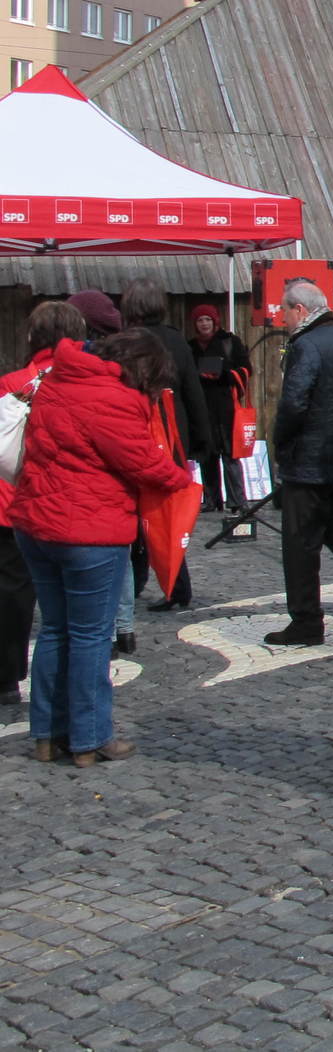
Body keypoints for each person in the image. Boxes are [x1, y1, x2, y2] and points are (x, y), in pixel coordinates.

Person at [12, 329, 193, 765]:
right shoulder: (115, 396)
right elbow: (143, 463)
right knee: (91, 636)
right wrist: (185, 482)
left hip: (36, 522)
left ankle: (46, 734)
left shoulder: (60, 375)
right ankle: (89, 739)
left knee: (55, 630)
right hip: (88, 531)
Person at [266, 280, 333, 646]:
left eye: (284, 311)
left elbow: (294, 402)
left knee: (299, 546)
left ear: (299, 310)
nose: (282, 318)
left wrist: (280, 444)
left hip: (308, 460)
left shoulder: (307, 345)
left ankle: (306, 620)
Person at [0, 300, 89, 706]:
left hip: (12, 501)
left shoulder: (12, 382)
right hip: (73, 503)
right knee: (76, 605)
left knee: (13, 592)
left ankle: (7, 677)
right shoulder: (90, 384)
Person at [120, 277, 211, 615]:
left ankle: (140, 582)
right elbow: (193, 393)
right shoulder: (176, 341)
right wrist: (201, 443)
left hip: (139, 435)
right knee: (165, 516)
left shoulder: (125, 343)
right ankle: (175, 584)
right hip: (173, 440)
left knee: (133, 514)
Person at [187, 304, 252, 521]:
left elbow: (245, 369)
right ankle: (211, 499)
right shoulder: (191, 347)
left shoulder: (229, 342)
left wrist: (224, 374)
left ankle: (237, 501)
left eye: (207, 319)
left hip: (226, 408)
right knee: (207, 456)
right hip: (202, 407)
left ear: (215, 322)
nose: (204, 324)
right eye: (199, 320)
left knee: (230, 456)